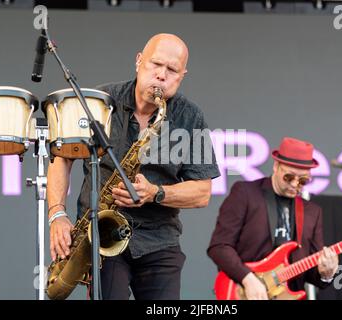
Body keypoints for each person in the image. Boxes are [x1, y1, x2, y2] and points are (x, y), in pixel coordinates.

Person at [47, 33, 220, 300]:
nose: (161, 75)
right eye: (155, 64)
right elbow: (62, 157)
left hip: (159, 242)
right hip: (102, 239)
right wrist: (57, 214)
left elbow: (202, 192)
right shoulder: (99, 101)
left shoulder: (190, 116)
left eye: (172, 70)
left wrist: (156, 193)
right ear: (139, 61)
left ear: (182, 75)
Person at [207, 137, 338, 300]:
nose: (295, 184)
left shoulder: (312, 211)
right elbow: (219, 246)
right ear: (276, 166)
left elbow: (312, 275)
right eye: (289, 177)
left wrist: (326, 273)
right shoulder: (246, 193)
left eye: (303, 180)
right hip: (243, 292)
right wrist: (247, 279)